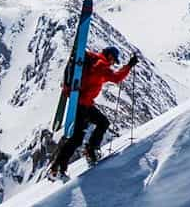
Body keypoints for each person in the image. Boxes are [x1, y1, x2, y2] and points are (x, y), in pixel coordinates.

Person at [49, 46, 139, 179]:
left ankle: (69, 161)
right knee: (79, 136)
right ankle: (61, 166)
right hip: (83, 105)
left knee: (97, 126)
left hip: (83, 103)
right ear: (109, 56)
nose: (113, 63)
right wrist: (129, 66)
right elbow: (116, 78)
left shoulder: (94, 60)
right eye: (114, 60)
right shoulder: (101, 66)